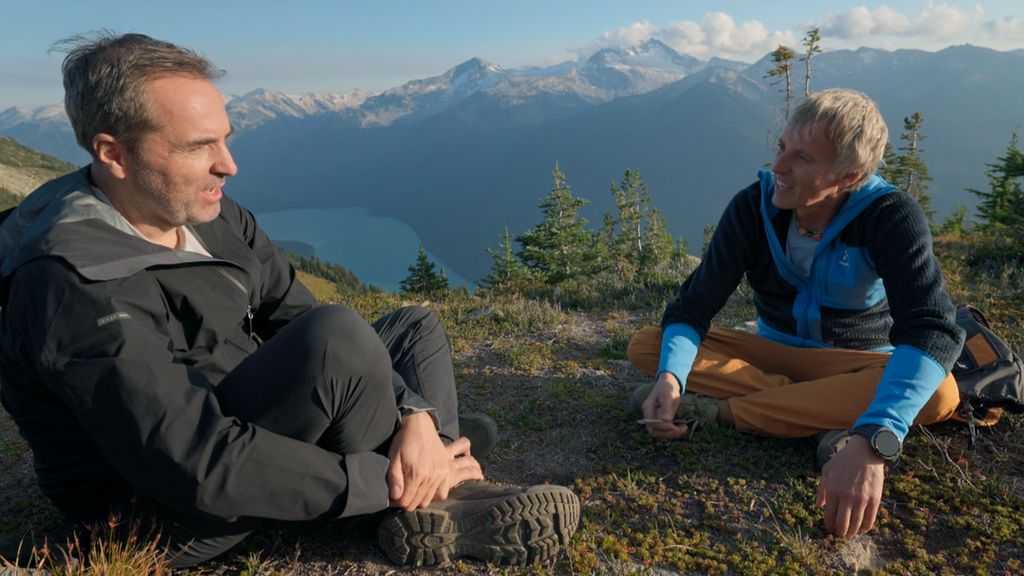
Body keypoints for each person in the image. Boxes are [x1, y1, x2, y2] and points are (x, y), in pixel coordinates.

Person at [0, 33, 579, 568]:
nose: (228, 165)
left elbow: (291, 312)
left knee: (412, 327)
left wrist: (415, 415)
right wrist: (381, 476)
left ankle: (431, 451)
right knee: (339, 341)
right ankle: (442, 493)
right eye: (200, 146)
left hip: (237, 411)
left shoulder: (207, 213)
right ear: (114, 154)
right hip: (162, 506)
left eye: (226, 138)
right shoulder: (73, 281)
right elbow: (198, 466)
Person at [627, 89, 965, 538]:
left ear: (849, 175)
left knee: (942, 393)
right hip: (774, 348)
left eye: (802, 158)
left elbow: (931, 329)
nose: (778, 167)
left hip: (857, 361)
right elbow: (694, 306)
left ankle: (722, 414)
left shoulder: (889, 216)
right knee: (650, 346)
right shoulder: (754, 208)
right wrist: (670, 379)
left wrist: (875, 441)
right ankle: (822, 418)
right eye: (781, 147)